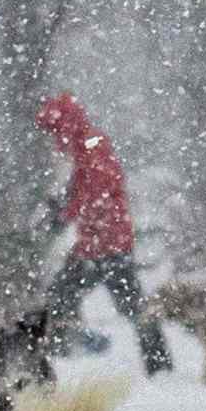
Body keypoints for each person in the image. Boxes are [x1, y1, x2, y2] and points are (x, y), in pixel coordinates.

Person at [29, 93, 169, 375]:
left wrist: (66, 214)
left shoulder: (93, 143)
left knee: (126, 304)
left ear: (66, 126)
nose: (54, 140)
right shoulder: (85, 147)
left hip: (109, 245)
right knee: (63, 293)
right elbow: (81, 186)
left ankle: (158, 364)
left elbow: (97, 189)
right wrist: (62, 205)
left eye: (55, 131)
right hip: (93, 244)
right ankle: (66, 350)